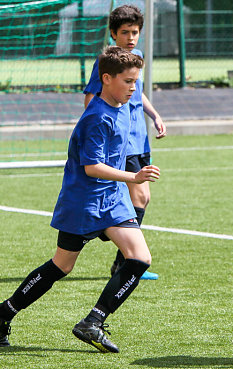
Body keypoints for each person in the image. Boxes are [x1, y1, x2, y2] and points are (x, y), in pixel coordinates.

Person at [0, 46, 160, 353]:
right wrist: (134, 178)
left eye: (136, 81)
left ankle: (93, 321)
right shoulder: (97, 117)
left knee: (139, 258)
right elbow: (92, 167)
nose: (133, 88)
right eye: (128, 81)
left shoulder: (124, 108)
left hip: (111, 200)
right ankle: (4, 312)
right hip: (84, 203)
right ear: (106, 79)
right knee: (62, 265)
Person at [84, 5, 165, 280]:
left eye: (135, 32)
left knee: (143, 197)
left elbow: (137, 92)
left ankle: (120, 251)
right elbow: (91, 98)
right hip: (122, 141)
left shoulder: (137, 57)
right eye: (125, 32)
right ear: (113, 34)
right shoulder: (107, 61)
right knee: (140, 195)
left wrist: (154, 115)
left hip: (140, 138)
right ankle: (128, 262)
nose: (131, 38)